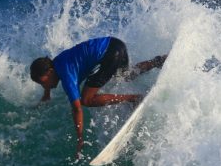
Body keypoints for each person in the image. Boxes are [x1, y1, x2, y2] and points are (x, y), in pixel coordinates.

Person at [30, 36, 166, 159]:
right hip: (115, 44)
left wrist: (80, 139)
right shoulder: (56, 62)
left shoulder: (66, 76)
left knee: (86, 100)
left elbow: (77, 109)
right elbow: (49, 78)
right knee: (126, 75)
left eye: (43, 82)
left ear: (50, 71)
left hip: (109, 55)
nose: (44, 85)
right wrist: (46, 94)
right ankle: (157, 61)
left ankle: (133, 98)